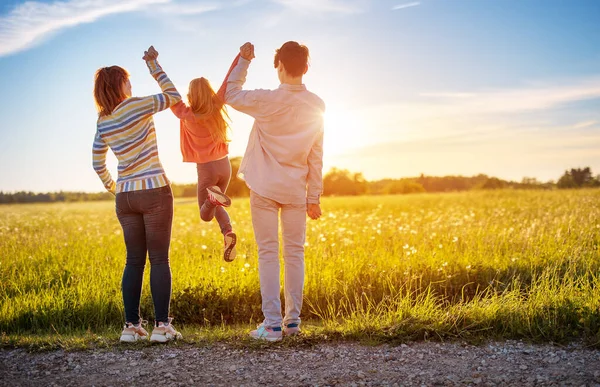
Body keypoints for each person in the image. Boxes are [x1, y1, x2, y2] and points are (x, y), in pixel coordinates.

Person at [223, 41, 325, 341]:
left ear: (278, 66)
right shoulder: (317, 105)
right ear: (306, 68)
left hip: (265, 187)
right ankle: (292, 322)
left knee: (268, 253)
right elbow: (316, 154)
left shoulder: (265, 99)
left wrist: (243, 60)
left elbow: (229, 93)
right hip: (296, 189)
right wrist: (314, 196)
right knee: (295, 254)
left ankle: (272, 326)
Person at [92, 46, 183, 343]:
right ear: (119, 85)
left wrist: (115, 187)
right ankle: (161, 327)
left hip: (126, 197)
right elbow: (173, 97)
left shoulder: (103, 121)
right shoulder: (135, 105)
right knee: (159, 259)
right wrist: (154, 65)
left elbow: (97, 162)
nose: (131, 86)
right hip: (154, 190)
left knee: (133, 261)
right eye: (127, 81)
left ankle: (130, 328)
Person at [169, 75, 237, 262]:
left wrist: (153, 64)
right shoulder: (216, 107)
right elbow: (228, 81)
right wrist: (244, 58)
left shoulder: (186, 114)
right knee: (215, 205)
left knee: (205, 213)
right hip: (225, 166)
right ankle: (228, 232)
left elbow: (169, 89)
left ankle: (214, 199)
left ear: (191, 95)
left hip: (207, 169)